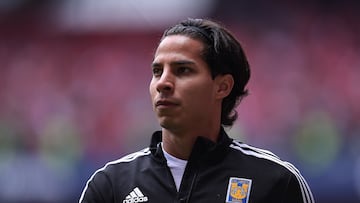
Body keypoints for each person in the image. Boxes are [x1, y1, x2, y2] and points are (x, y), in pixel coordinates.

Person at [79, 18, 314, 203]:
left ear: (222, 86)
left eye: (182, 70)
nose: (163, 83)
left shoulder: (276, 182)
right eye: (157, 71)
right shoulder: (109, 186)